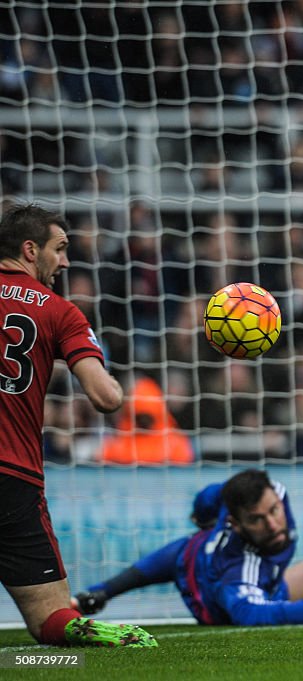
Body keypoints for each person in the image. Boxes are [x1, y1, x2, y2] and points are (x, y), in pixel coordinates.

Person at [0, 204, 156, 647]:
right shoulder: (60, 311)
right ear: (30, 250)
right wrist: (116, 384)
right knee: (51, 619)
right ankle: (91, 643)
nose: (66, 261)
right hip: (13, 478)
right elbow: (106, 399)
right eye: (60, 248)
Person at [73, 470, 303, 626]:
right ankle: (98, 593)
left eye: (274, 510)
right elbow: (249, 616)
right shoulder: (234, 570)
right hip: (211, 597)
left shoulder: (273, 493)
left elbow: (212, 494)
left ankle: (99, 593)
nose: (272, 524)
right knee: (178, 554)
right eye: (257, 519)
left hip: (266, 584)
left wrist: (201, 514)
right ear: (236, 523)